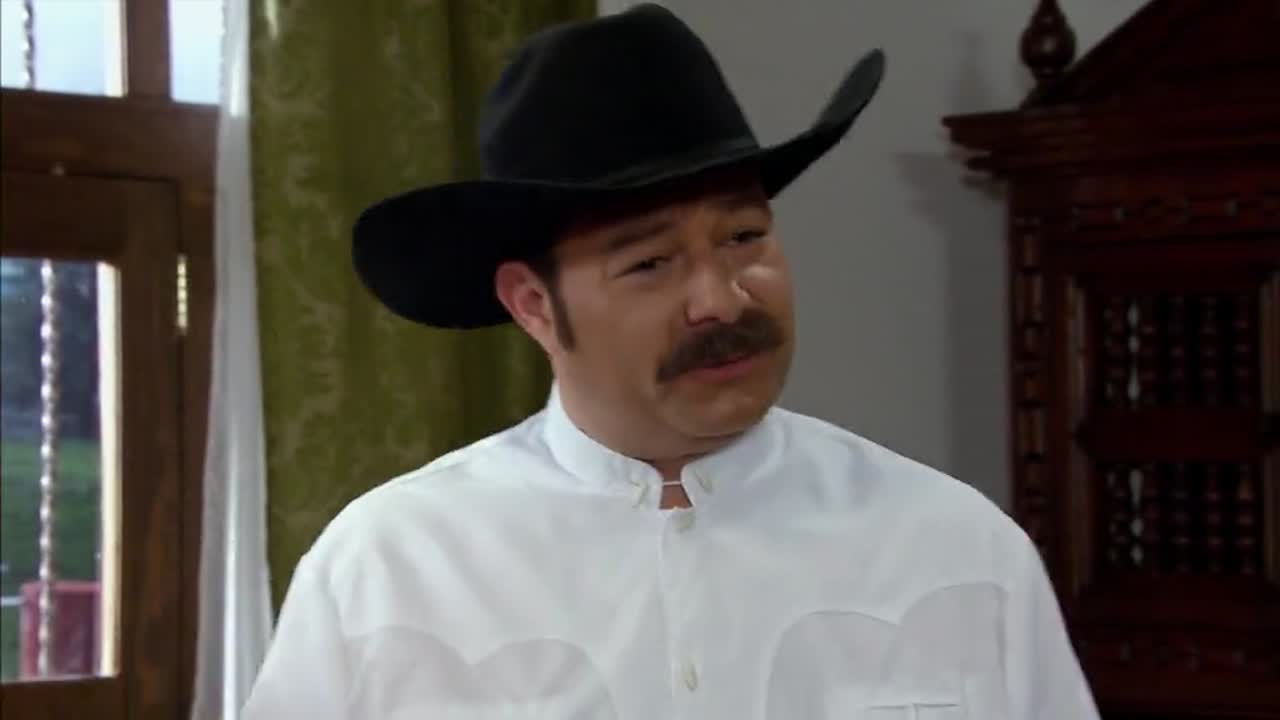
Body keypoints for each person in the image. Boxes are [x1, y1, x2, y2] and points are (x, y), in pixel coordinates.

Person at [242, 5, 1099, 719]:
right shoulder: (390, 568)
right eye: (650, 263)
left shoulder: (955, 548)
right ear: (533, 304)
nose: (720, 299)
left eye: (744, 237)